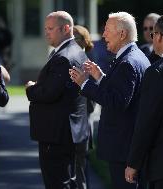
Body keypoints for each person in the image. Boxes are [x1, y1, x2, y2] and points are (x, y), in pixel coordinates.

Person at [69, 12, 150, 189]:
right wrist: (101, 78)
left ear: (122, 34)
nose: (103, 34)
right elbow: (123, 92)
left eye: (107, 30)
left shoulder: (128, 62)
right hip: (128, 147)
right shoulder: (135, 55)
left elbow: (117, 102)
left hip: (124, 149)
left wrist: (85, 84)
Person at [25, 11, 89, 189]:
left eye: (51, 28)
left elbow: (49, 93)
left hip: (57, 134)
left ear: (66, 28)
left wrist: (31, 88)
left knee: (57, 182)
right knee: (71, 181)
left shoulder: (63, 56)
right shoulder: (77, 51)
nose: (47, 32)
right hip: (70, 131)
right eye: (45, 28)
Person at [125, 14, 163, 189]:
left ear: (160, 36)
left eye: (153, 34)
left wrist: (133, 163)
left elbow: (147, 121)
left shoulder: (158, 71)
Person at [73, 25, 95, 189]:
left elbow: (92, 104)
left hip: (81, 127)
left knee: (80, 173)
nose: (72, 41)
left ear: (84, 41)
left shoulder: (88, 65)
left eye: (76, 38)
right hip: (72, 127)